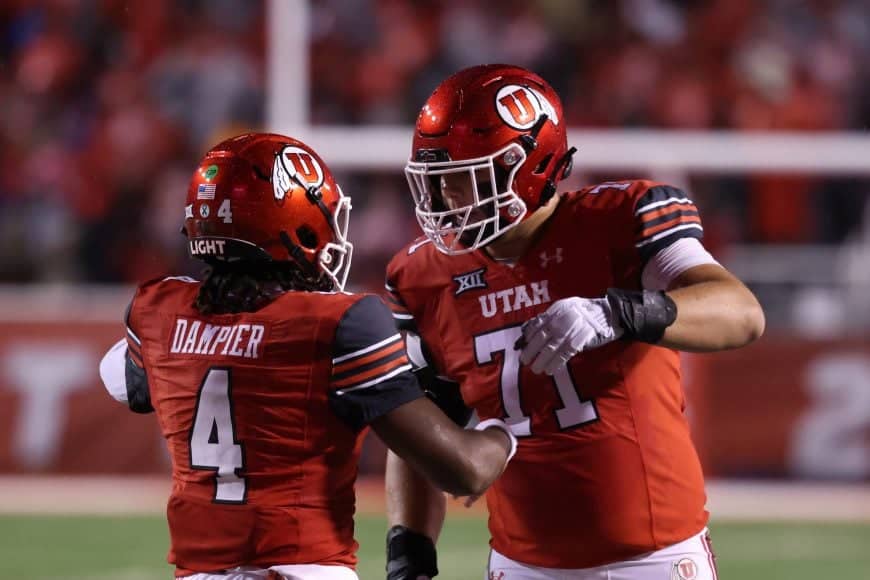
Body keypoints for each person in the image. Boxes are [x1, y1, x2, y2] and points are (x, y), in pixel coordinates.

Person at [384, 65, 765, 580]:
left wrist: (617, 312)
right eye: (437, 181)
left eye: (462, 178)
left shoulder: (619, 220)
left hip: (653, 559)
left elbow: (741, 313)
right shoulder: (423, 276)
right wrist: (409, 559)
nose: (445, 200)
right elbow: (421, 430)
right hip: (522, 565)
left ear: (527, 166)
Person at [98, 132, 518, 580]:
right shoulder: (338, 322)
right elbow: (463, 471)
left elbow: (126, 383)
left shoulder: (156, 310)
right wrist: (507, 429)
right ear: (294, 222)